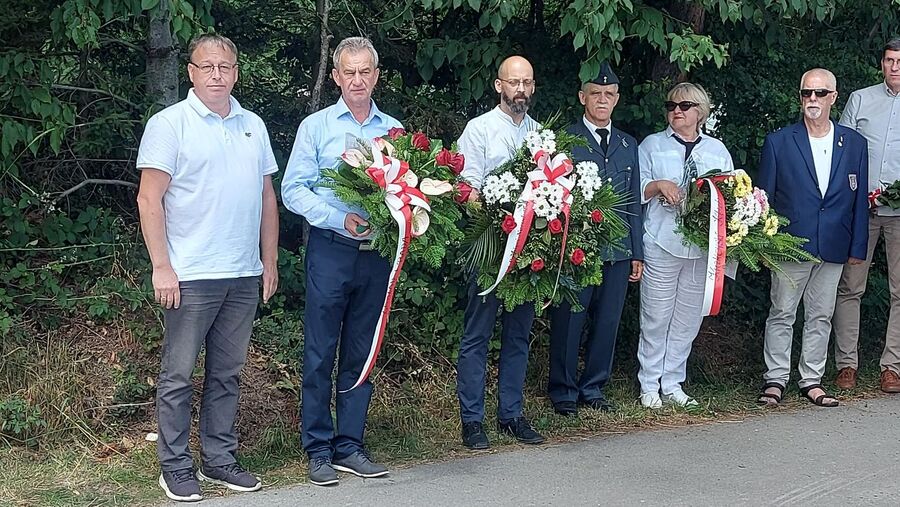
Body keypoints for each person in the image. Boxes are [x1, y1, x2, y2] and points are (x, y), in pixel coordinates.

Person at [136, 34, 278, 502]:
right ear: (191, 72)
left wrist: (268, 261)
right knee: (178, 375)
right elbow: (149, 197)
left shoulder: (253, 125)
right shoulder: (169, 124)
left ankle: (218, 460)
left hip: (242, 272)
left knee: (226, 374)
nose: (217, 75)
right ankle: (175, 467)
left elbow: (265, 199)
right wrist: (162, 266)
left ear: (236, 72)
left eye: (225, 67)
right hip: (190, 274)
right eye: (207, 66)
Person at [282, 36, 400, 486]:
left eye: (364, 71)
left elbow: (405, 191)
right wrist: (338, 217)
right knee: (319, 352)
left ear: (375, 74)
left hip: (377, 257)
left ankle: (350, 444)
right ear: (335, 76)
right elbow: (293, 190)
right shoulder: (315, 127)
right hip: (331, 251)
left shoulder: (394, 130)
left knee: (361, 352)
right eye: (348, 72)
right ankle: (318, 448)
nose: (357, 80)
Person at [757, 68, 868, 407]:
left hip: (834, 242)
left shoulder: (854, 143)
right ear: (800, 97)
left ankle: (811, 379)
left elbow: (859, 197)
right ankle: (775, 379)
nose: (812, 100)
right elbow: (764, 199)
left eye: (820, 93)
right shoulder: (779, 141)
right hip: (790, 242)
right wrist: (764, 244)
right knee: (782, 312)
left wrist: (858, 246)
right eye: (807, 93)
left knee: (821, 314)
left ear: (834, 97)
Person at [455, 55, 545, 450]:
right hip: (490, 247)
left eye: (526, 82)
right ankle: (472, 421)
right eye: (513, 82)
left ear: (533, 87)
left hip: (529, 251)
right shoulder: (479, 130)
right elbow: (464, 189)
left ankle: (512, 414)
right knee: (477, 334)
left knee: (519, 334)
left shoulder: (542, 134)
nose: (520, 89)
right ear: (498, 85)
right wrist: (499, 215)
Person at [547, 63, 643, 416]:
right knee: (569, 320)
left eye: (609, 94)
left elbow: (633, 200)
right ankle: (563, 391)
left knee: (607, 322)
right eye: (595, 93)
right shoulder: (566, 139)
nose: (602, 100)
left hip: (617, 249)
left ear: (616, 99)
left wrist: (637, 252)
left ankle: (594, 387)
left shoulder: (627, 143)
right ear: (582, 97)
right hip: (577, 248)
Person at [637, 82, 735, 409]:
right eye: (671, 105)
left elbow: (732, 198)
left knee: (688, 318)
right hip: (660, 242)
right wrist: (658, 185)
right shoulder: (651, 145)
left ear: (700, 112)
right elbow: (635, 190)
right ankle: (649, 383)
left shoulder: (717, 150)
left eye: (684, 105)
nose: (676, 110)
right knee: (656, 314)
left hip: (701, 249)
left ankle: (673, 381)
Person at [833, 38, 900, 393]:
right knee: (850, 287)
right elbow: (843, 151)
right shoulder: (861, 98)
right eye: (890, 60)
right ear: (882, 64)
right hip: (863, 209)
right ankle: (847, 365)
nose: (895, 67)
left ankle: (892, 366)